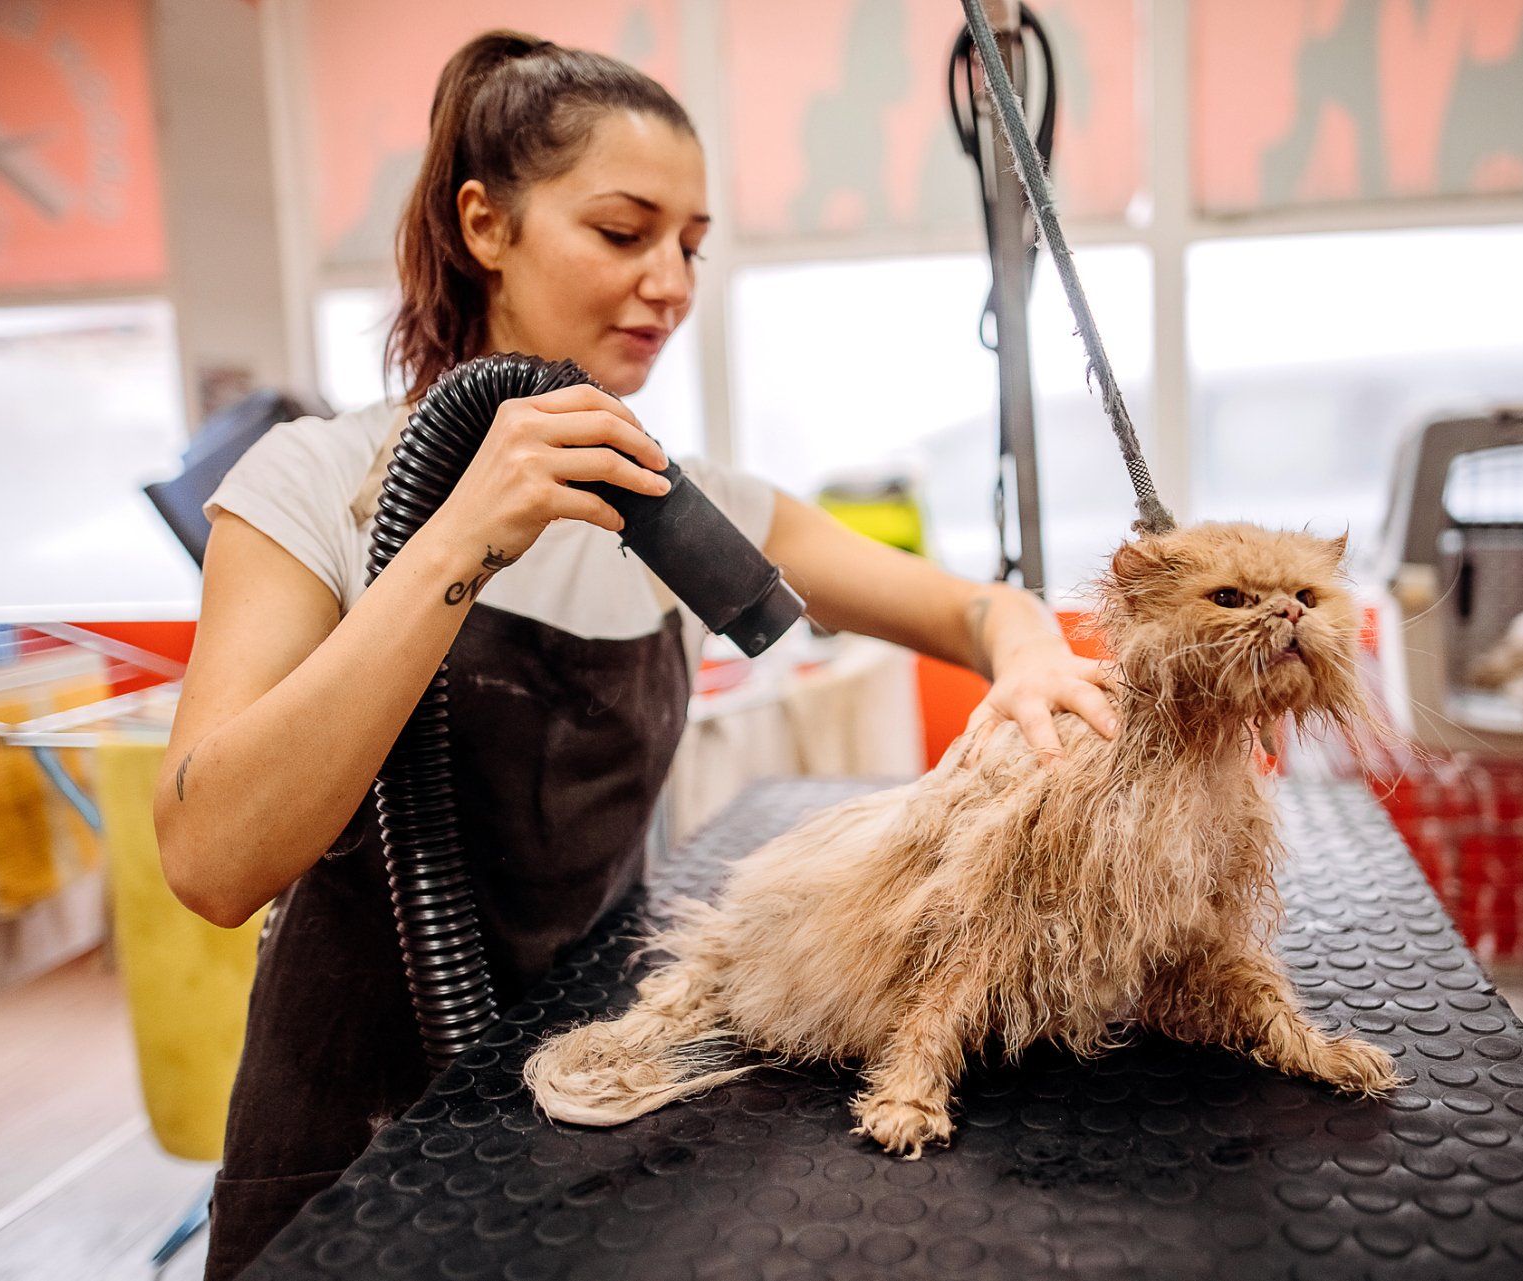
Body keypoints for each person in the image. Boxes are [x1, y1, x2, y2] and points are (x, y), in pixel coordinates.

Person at [152, 30, 1117, 1280]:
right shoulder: (315, 483)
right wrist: (461, 533)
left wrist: (1029, 647)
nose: (669, 280)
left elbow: (970, 613)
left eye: (693, 245)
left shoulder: (677, 508)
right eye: (623, 232)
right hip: (353, 1132)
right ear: (486, 225)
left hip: (588, 1093)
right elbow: (213, 862)